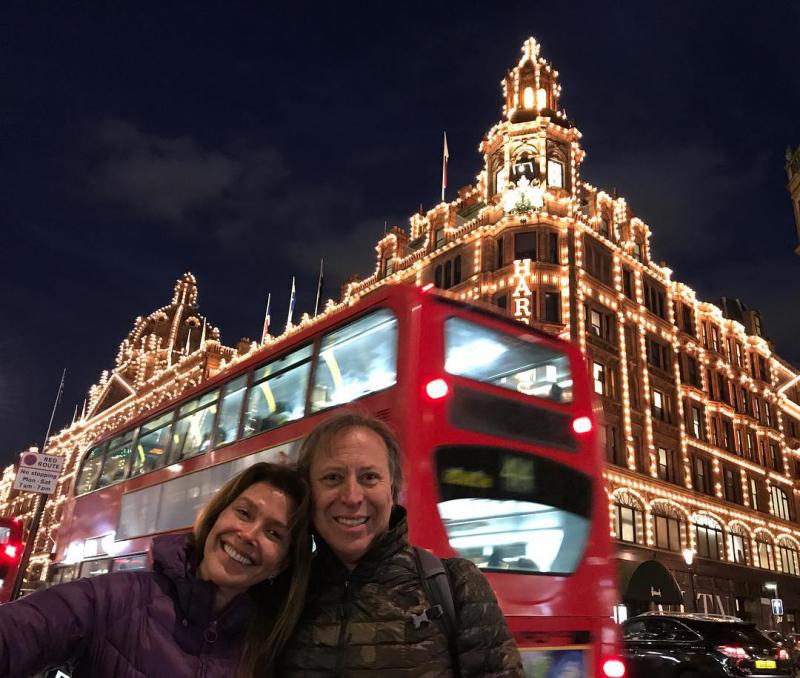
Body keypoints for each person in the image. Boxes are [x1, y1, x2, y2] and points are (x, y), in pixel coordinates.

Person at [0, 462, 310, 678]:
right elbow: (23, 629)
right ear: (217, 516)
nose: (249, 535)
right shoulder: (115, 599)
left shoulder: (273, 648)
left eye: (274, 533)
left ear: (282, 564)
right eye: (244, 513)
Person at [281, 411, 524, 677]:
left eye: (369, 477)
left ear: (392, 489)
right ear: (308, 491)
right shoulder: (286, 591)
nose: (352, 496)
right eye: (332, 477)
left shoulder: (459, 585)